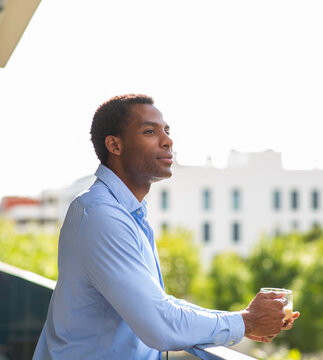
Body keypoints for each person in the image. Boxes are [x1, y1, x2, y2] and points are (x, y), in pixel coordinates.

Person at [33, 94, 300, 359]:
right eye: (150, 131)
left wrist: (243, 321)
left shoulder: (125, 213)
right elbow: (159, 324)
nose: (167, 141)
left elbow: (160, 305)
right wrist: (245, 321)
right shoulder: (102, 215)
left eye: (167, 131)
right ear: (115, 145)